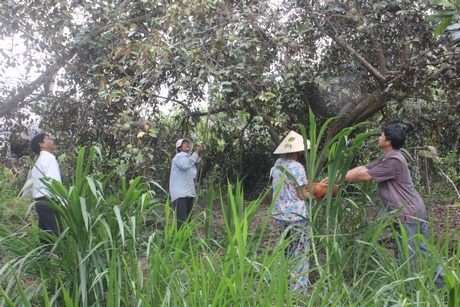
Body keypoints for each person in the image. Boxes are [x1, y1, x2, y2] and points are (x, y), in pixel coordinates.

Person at [322, 124, 445, 288]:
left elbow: (366, 176)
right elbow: (364, 167)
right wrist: (335, 176)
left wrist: (336, 179)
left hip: (407, 213)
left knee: (404, 256)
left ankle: (407, 295)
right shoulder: (390, 158)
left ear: (387, 141)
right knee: (425, 250)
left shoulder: (393, 161)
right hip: (414, 210)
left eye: (381, 135)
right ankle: (446, 285)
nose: (379, 137)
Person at [271, 130, 315, 292]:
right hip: (297, 217)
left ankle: (281, 284)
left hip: (281, 215)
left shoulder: (278, 165)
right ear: (298, 150)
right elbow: (301, 194)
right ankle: (297, 290)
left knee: (285, 250)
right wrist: (320, 195)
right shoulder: (297, 167)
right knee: (300, 253)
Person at [30, 133, 64, 251]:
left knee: (45, 239)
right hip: (49, 203)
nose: (52, 140)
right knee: (59, 236)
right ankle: (67, 266)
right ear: (42, 144)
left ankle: (41, 265)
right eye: (48, 139)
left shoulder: (37, 163)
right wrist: (63, 202)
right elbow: (54, 182)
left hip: (40, 203)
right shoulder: (49, 159)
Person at [169, 138, 205, 229]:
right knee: (182, 220)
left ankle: (186, 240)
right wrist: (197, 151)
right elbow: (186, 165)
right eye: (184, 143)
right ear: (179, 148)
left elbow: (191, 172)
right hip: (180, 194)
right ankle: (180, 241)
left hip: (188, 193)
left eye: (188, 143)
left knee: (187, 220)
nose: (187, 144)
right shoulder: (179, 157)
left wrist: (194, 183)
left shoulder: (188, 158)